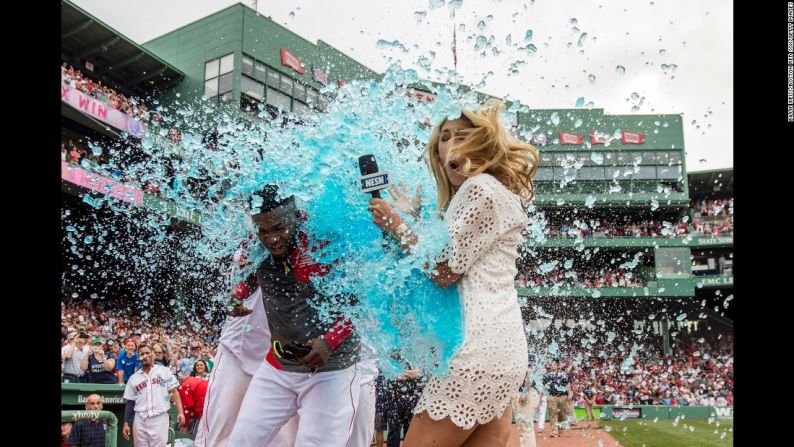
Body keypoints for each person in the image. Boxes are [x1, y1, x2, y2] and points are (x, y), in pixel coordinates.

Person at [367, 101, 539, 446]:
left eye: (463, 134)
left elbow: (444, 271)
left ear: (484, 143)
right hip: (503, 350)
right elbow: (445, 256)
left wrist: (396, 225)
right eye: (445, 137)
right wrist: (410, 221)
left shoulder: (479, 188)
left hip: (474, 352)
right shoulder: (496, 192)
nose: (453, 143)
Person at [228, 185, 361, 446]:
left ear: (296, 218)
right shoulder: (254, 243)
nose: (271, 239)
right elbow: (250, 276)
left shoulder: (322, 244)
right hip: (277, 365)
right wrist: (237, 295)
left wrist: (329, 341)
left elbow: (363, 304)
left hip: (332, 369)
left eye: (278, 228)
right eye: (263, 230)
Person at [122, 344, 185, 447]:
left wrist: (180, 412)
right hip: (140, 419)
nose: (145, 356)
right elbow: (130, 402)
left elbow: (174, 392)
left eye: (147, 353)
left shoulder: (165, 371)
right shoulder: (134, 378)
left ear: (153, 355)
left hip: (159, 418)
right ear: (138, 358)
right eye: (142, 354)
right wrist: (125, 422)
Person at [542, 362, 571, 438]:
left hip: (562, 396)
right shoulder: (547, 376)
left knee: (562, 414)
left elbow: (567, 385)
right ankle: (554, 431)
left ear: (557, 366)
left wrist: (570, 394)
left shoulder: (562, 375)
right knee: (552, 414)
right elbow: (544, 387)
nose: (553, 366)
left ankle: (560, 429)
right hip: (551, 396)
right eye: (552, 365)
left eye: (554, 364)